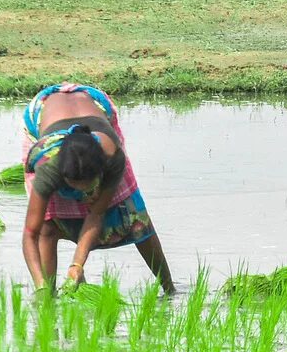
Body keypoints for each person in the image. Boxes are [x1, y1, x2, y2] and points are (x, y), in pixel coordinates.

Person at [20, 83, 175, 294]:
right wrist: (39, 286)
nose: (83, 195)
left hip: (93, 105)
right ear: (62, 175)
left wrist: (77, 265)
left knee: (137, 220)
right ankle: (47, 295)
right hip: (43, 111)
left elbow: (97, 213)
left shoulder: (112, 155)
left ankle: (170, 289)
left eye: (89, 187)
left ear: (101, 170)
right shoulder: (47, 166)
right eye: (76, 187)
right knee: (48, 226)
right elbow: (30, 233)